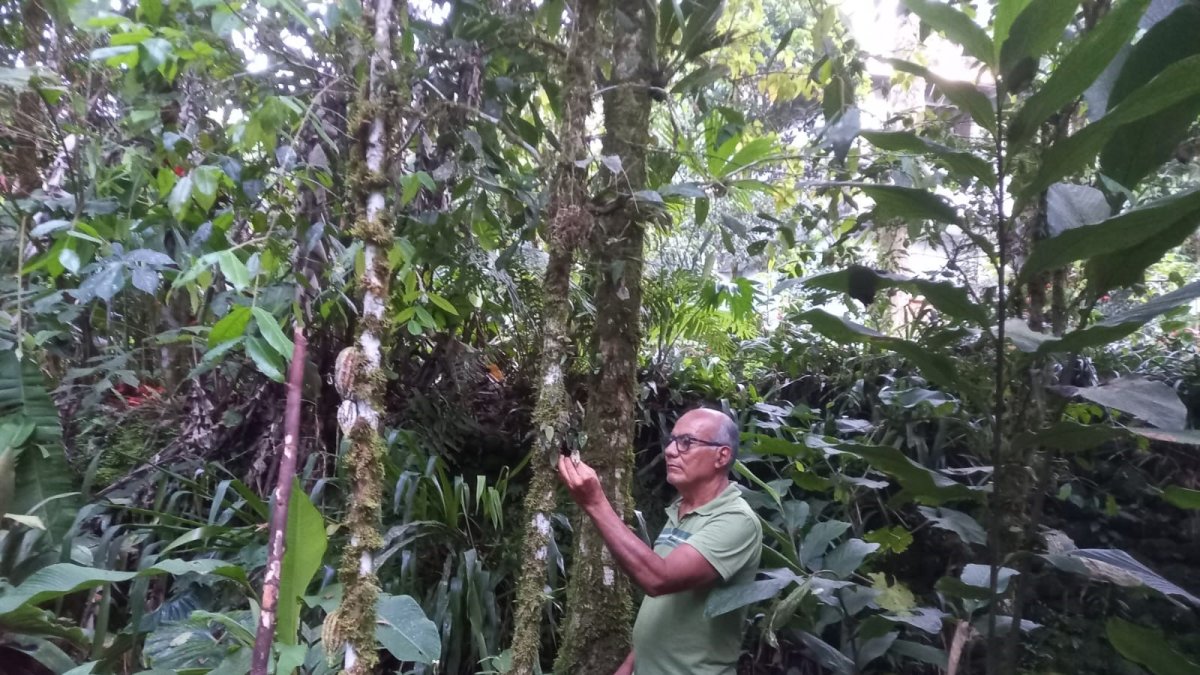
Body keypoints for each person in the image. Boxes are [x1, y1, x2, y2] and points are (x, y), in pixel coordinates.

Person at [557, 407, 763, 675]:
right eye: (672, 440)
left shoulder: (737, 521)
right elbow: (666, 607)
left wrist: (595, 503)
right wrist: (629, 666)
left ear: (721, 456)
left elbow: (658, 579)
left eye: (686, 442)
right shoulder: (681, 509)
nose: (670, 451)